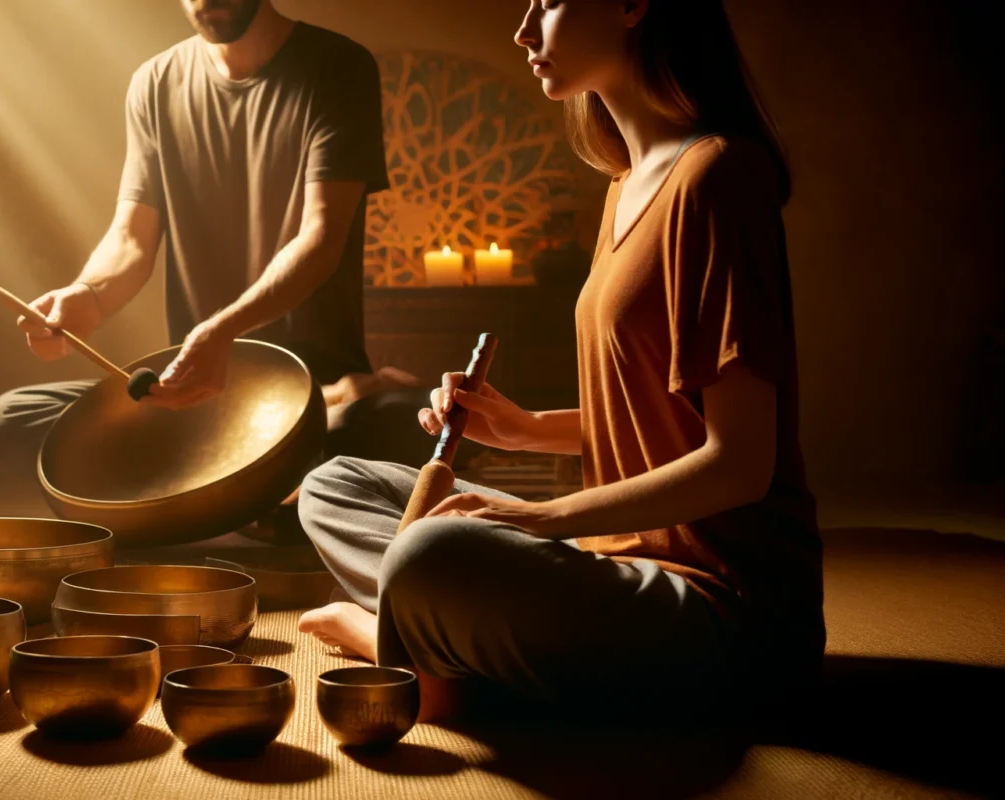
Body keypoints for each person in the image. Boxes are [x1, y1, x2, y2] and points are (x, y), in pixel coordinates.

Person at [297, 0, 825, 721]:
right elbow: (659, 419)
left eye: (546, 2)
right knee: (336, 484)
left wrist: (543, 521)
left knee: (437, 552)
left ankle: (407, 648)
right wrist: (521, 427)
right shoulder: (624, 185)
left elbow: (739, 461)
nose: (523, 29)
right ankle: (429, 638)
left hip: (722, 612)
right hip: (611, 568)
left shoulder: (719, 178)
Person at [0, 0, 444, 493]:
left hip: (306, 388)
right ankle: (255, 490)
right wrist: (87, 296)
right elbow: (129, 239)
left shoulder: (336, 66)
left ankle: (234, 477)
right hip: (195, 402)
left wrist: (223, 330)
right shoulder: (154, 82)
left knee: (407, 424)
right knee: (12, 418)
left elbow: (321, 238)